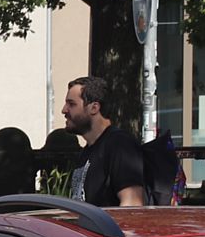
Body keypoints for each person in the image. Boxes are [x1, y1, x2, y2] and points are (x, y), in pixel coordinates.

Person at [62, 75, 145, 208]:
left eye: (71, 104)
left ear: (94, 108)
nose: (64, 110)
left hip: (109, 229)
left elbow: (132, 204)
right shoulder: (87, 151)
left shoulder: (120, 144)